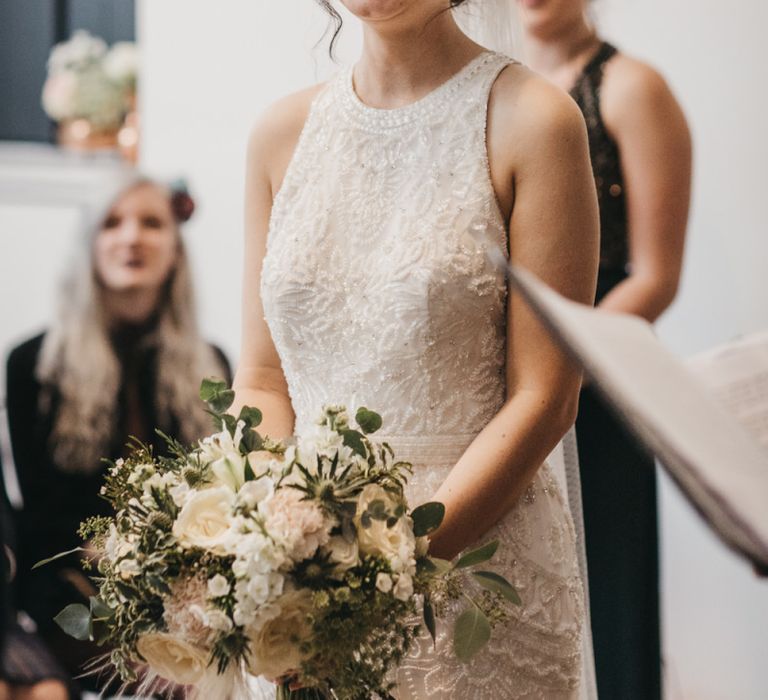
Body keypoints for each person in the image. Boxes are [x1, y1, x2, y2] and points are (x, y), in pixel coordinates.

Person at [234, 1, 600, 697]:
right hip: (304, 585)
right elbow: (259, 376)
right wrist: (271, 545)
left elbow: (546, 397)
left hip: (474, 577)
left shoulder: (535, 120)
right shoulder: (280, 133)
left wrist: (388, 570)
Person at [518, 2, 692, 698]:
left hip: (599, 390)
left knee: (612, 604)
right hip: (501, 388)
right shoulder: (491, 87)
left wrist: (558, 363)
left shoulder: (631, 87)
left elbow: (655, 275)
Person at [4, 174, 231, 696]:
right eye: (112, 223)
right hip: (71, 594)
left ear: (175, 252)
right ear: (90, 250)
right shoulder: (33, 364)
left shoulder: (211, 364)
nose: (131, 237)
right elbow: (40, 514)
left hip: (185, 596)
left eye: (151, 223)